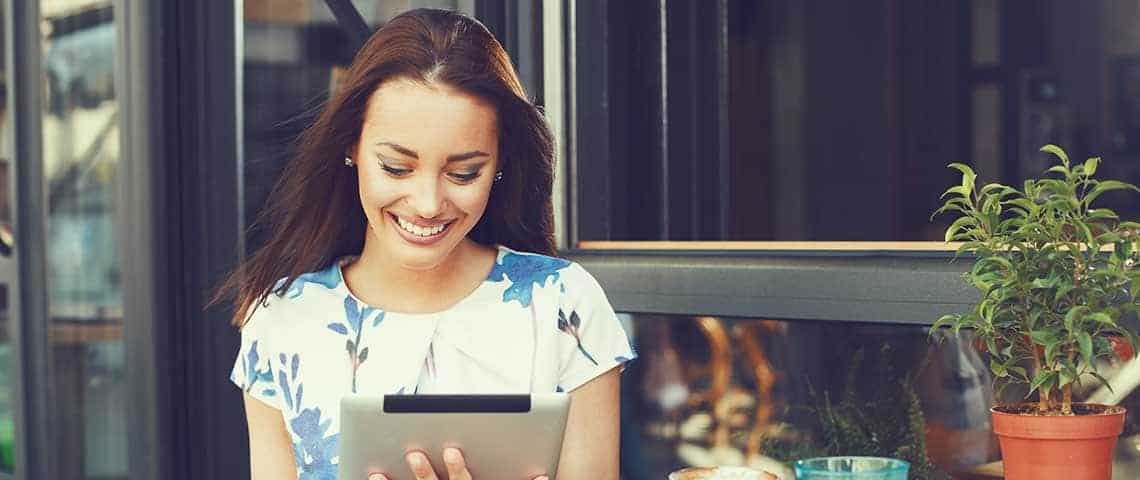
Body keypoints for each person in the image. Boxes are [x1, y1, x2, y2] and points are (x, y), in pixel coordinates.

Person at [219, 8, 636, 480]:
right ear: (351, 147)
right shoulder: (282, 317)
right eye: (396, 167)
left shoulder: (564, 305)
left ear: (500, 164)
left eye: (464, 173)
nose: (427, 203)